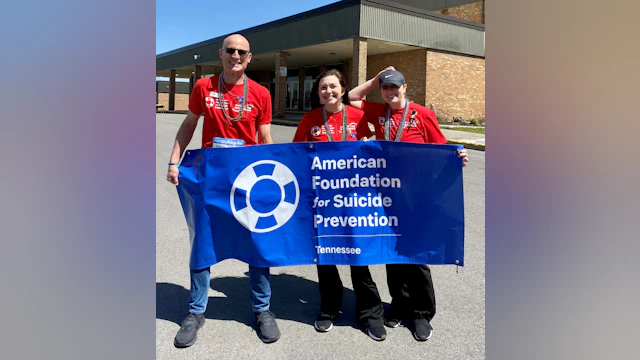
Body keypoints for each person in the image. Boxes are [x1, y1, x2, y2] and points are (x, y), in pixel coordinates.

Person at [166, 34, 280, 347]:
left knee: (256, 242)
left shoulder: (260, 93)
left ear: (249, 57)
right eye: (230, 50)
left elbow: (266, 137)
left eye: (241, 52)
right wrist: (175, 161)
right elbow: (189, 124)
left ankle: (262, 309)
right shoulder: (204, 86)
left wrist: (281, 176)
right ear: (221, 54)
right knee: (202, 241)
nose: (235, 55)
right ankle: (195, 311)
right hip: (211, 178)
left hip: (249, 180)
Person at [348, 67, 469, 342]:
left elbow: (440, 148)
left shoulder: (422, 114)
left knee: (416, 255)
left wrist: (457, 157)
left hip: (418, 194)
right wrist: (377, 76)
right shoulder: (379, 112)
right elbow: (352, 96)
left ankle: (421, 313)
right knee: (393, 251)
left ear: (405, 88)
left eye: (394, 87)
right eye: (385, 88)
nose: (390, 92)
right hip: (388, 193)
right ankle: (399, 305)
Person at [292, 69, 388, 341]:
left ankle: (370, 314)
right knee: (326, 255)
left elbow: (378, 146)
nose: (328, 92)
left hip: (356, 198)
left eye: (333, 87)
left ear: (343, 89)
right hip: (323, 200)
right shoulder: (310, 119)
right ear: (318, 92)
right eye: (323, 88)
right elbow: (296, 154)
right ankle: (329, 307)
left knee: (359, 256)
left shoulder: (359, 116)